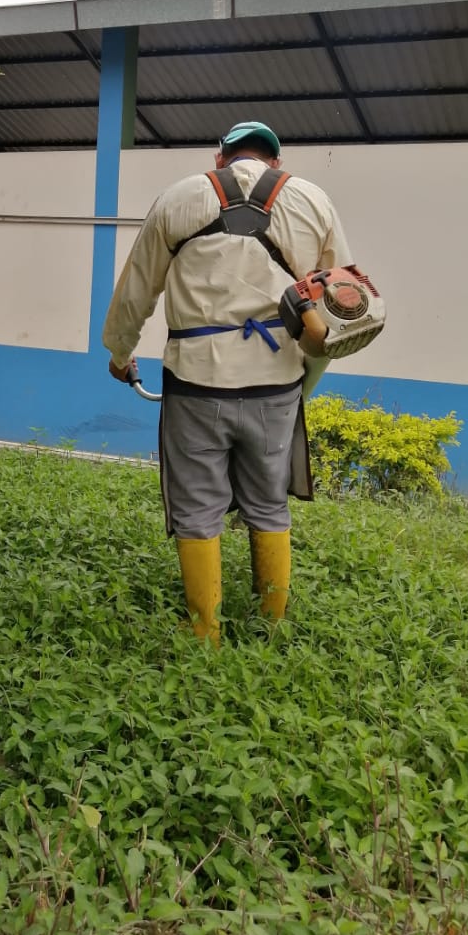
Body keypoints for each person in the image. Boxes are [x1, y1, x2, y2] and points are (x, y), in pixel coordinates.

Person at [102, 121, 353, 647]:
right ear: (275, 162)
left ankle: (205, 631)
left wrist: (120, 354)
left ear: (220, 158)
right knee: (269, 502)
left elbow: (136, 289)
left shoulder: (178, 197)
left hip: (196, 382)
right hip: (277, 384)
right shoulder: (314, 201)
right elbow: (342, 296)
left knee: (197, 507)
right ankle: (272, 622)